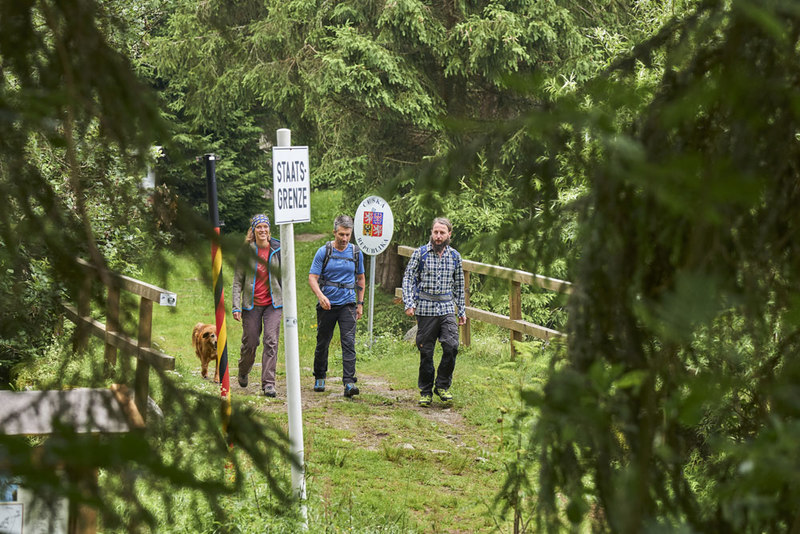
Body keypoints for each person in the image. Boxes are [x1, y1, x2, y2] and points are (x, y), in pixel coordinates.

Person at [402, 217, 467, 407]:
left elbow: (459, 286)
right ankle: (425, 391)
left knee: (452, 345)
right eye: (435, 232)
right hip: (425, 308)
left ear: (449, 235)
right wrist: (409, 302)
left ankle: (442, 386)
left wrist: (461, 310)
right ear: (431, 232)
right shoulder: (420, 254)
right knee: (426, 351)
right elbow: (408, 278)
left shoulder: (455, 257)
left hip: (447, 308)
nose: (438, 237)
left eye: (442, 233)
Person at [308, 215, 366, 398]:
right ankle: (320, 376)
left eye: (348, 235)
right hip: (327, 305)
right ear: (334, 232)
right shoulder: (323, 252)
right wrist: (321, 296)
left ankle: (349, 383)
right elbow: (312, 277)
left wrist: (360, 303)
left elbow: (361, 278)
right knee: (323, 341)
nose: (344, 238)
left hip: (348, 304)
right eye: (341, 234)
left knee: (348, 343)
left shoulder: (356, 253)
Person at [232, 214, 282, 397]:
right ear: (253, 231)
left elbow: (286, 277)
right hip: (251, 305)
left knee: (271, 341)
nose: (262, 230)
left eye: (265, 227)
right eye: (258, 227)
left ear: (269, 230)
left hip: (273, 304)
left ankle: (268, 383)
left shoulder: (278, 250)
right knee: (250, 342)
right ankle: (243, 369)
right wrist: (236, 306)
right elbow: (237, 281)